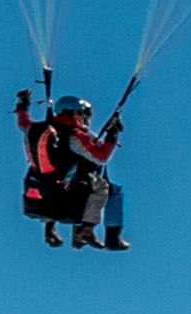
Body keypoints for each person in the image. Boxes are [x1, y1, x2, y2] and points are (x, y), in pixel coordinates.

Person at [15, 82, 128, 251]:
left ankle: (50, 229)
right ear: (77, 114)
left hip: (37, 199)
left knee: (66, 174)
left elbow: (23, 122)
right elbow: (102, 157)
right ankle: (98, 234)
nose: (87, 120)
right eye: (85, 115)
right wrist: (112, 135)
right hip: (65, 202)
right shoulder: (75, 137)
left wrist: (22, 103)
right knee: (105, 188)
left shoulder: (35, 129)